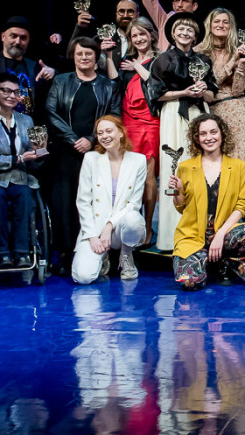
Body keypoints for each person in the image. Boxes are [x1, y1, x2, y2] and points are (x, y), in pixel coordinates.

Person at [45, 36, 122, 275]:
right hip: (65, 152)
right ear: (74, 56)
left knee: (94, 201)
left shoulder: (108, 85)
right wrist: (73, 139)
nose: (84, 57)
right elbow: (50, 112)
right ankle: (64, 252)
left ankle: (96, 250)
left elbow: (113, 115)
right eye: (80, 54)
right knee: (64, 203)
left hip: (97, 151)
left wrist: (91, 139)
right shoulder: (61, 81)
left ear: (96, 57)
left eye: (89, 53)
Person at [166, 113, 245, 289]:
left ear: (222, 134)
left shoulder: (238, 166)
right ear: (197, 138)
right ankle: (206, 260)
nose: (209, 138)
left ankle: (226, 262)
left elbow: (241, 206)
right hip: (193, 235)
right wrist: (178, 192)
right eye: (203, 133)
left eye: (213, 132)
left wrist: (220, 234)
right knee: (190, 283)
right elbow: (181, 208)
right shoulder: (185, 167)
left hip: (226, 232)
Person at [146, 12, 218, 252]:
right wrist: (184, 93)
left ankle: (200, 232)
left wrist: (203, 90)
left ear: (195, 36)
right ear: (173, 33)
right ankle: (170, 235)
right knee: (174, 166)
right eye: (181, 29)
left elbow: (212, 95)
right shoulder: (163, 60)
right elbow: (155, 94)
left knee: (200, 167)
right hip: (173, 114)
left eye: (190, 30)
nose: (185, 33)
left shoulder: (204, 61)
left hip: (199, 113)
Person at [0, 73, 46, 269]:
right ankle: (2, 253)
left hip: (19, 177)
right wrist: (18, 159)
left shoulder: (26, 120)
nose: (12, 96)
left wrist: (39, 153)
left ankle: (22, 253)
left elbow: (33, 160)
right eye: (6, 91)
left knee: (24, 194)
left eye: (16, 92)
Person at [72, 115, 148, 284]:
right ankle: (103, 256)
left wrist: (109, 225)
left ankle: (126, 255)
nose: (104, 136)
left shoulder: (138, 160)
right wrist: (92, 236)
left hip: (120, 227)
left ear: (121, 132)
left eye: (109, 131)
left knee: (134, 220)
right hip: (96, 227)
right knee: (83, 277)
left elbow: (134, 204)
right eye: (100, 133)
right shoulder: (91, 158)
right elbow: (83, 201)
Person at [105, 16, 161, 245]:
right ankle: (130, 225)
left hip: (151, 120)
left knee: (149, 175)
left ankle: (148, 227)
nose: (138, 39)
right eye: (134, 36)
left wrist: (137, 66)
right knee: (129, 175)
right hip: (129, 121)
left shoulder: (160, 60)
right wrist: (109, 56)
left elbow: (157, 85)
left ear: (151, 35)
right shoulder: (126, 61)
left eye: (142, 34)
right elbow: (115, 82)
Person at [197, 7, 245, 198]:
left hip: (236, 108)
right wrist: (232, 61)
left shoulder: (237, 49)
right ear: (209, 25)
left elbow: (237, 89)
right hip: (211, 110)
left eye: (226, 22)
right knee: (216, 158)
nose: (221, 25)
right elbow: (212, 82)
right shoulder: (199, 52)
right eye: (217, 21)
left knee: (241, 156)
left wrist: (243, 65)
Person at [0, 16, 56, 116]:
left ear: (28, 40)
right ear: (3, 37)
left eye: (23, 38)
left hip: (27, 123)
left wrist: (54, 73)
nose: (18, 42)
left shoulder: (35, 66)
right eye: (13, 36)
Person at [73, 0, 140, 73]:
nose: (125, 15)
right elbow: (72, 56)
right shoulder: (99, 40)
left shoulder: (144, 41)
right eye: (121, 11)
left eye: (130, 11)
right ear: (116, 14)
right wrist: (80, 27)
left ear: (138, 15)